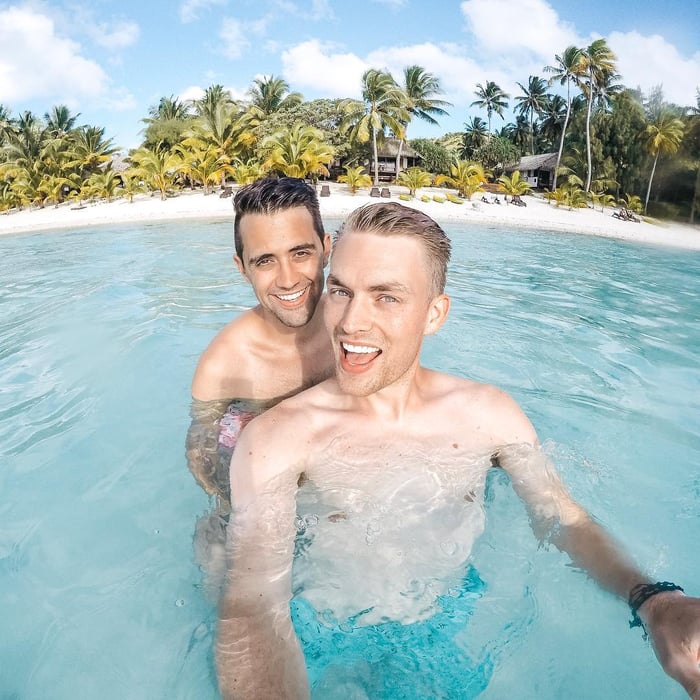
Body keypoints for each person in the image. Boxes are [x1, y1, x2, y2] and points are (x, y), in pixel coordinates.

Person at [215, 202, 700, 699]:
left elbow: (562, 517)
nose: (351, 322)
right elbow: (254, 606)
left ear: (434, 314)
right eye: (341, 291)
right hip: (323, 636)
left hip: (443, 628)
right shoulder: (276, 440)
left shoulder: (488, 415)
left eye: (386, 297)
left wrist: (657, 603)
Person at [186, 177, 334, 511]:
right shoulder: (223, 366)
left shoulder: (354, 325)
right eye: (265, 261)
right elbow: (203, 457)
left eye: (300, 253)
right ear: (242, 269)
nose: (288, 279)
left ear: (326, 249)